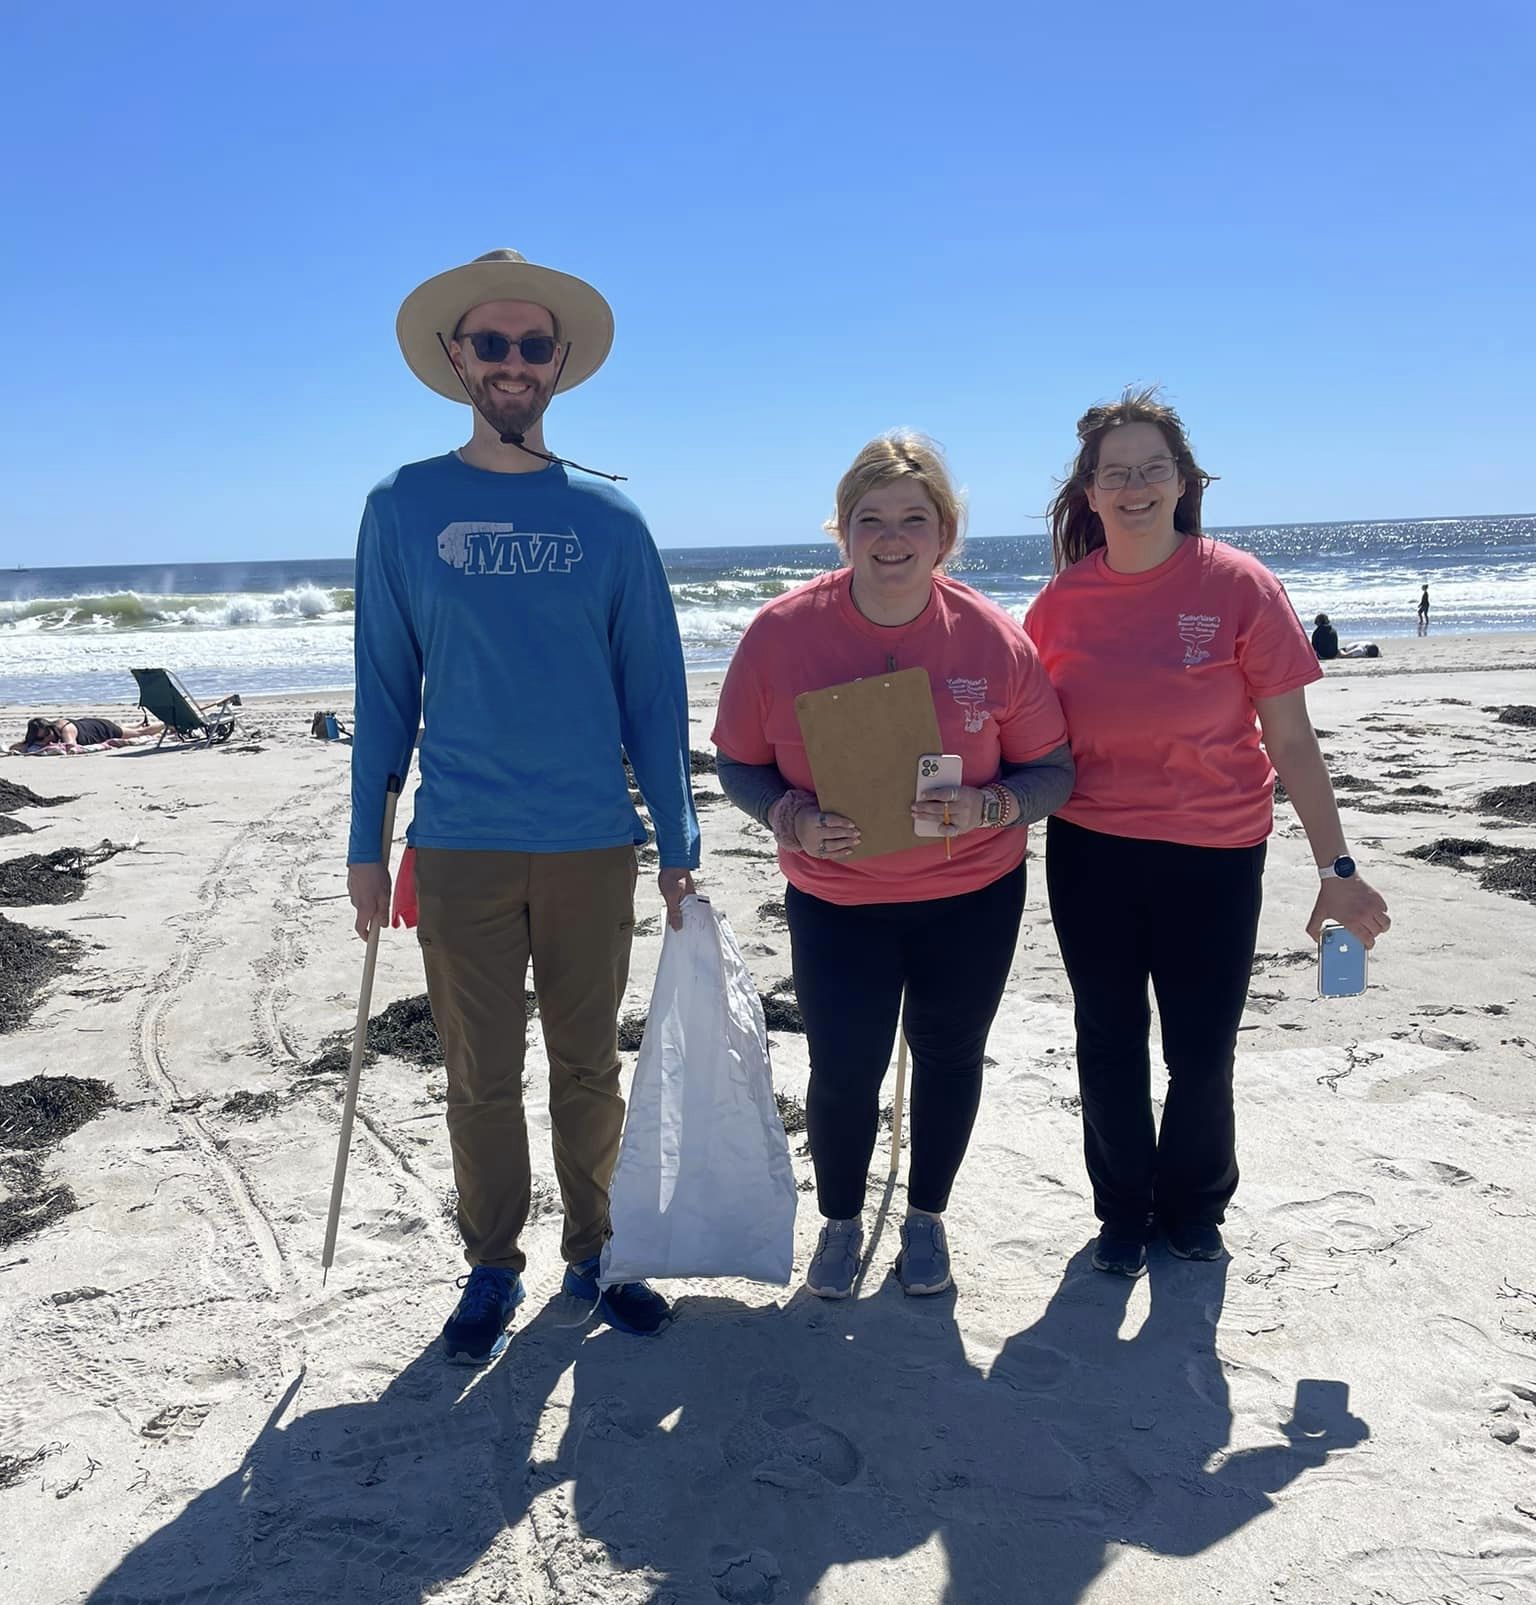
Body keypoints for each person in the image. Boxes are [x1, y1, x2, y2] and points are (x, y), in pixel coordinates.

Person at [346, 247, 700, 1366]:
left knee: (590, 1064)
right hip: (457, 843)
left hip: (593, 840)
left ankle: (595, 1251)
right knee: (479, 1074)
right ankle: (492, 1264)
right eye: (489, 343)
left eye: (531, 345)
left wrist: (680, 837)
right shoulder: (402, 505)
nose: (511, 362)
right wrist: (368, 842)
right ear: (456, 358)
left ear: (559, 363)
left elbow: (655, 689)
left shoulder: (611, 518)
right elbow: (382, 685)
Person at [1025, 389, 1390, 1280]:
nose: (1137, 485)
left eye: (1155, 469)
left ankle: (1193, 1206)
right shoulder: (1061, 604)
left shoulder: (1238, 585)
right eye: (1118, 472)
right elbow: (1020, 736)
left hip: (1216, 853)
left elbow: (1291, 741)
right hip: (1092, 852)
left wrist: (1335, 868)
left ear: (1184, 483)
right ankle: (1121, 1210)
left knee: (1199, 1044)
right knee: (1108, 1037)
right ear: (1091, 491)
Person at [713, 432, 1073, 1299]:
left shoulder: (992, 639)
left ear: (945, 533)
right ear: (841, 530)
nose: (892, 537)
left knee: (950, 1058)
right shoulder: (780, 633)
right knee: (843, 1068)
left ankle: (926, 1220)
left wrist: (992, 806)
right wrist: (791, 816)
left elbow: (1052, 770)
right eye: (870, 518)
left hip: (971, 895)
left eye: (914, 519)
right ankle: (839, 1222)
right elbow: (735, 763)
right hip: (839, 900)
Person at [8, 715, 159, 753]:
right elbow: (16, 746)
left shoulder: (65, 730)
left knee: (139, 733)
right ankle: (137, 723)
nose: (47, 739)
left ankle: (169, 724)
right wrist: (29, 744)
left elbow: (71, 747)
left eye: (47, 734)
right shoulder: (41, 736)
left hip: (101, 729)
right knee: (130, 729)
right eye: (41, 737)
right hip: (87, 725)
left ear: (50, 727)